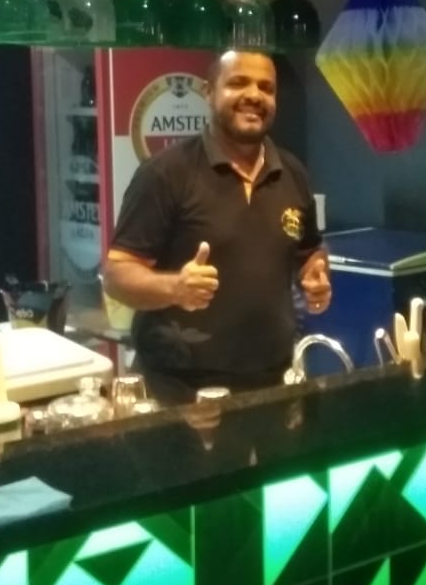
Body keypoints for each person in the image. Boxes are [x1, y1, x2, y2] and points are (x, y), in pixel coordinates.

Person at [104, 50, 331, 402]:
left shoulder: (292, 173)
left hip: (272, 384)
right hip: (177, 389)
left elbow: (310, 249)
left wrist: (316, 272)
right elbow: (117, 275)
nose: (254, 95)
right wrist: (176, 288)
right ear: (209, 93)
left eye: (266, 88)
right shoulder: (165, 173)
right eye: (238, 83)